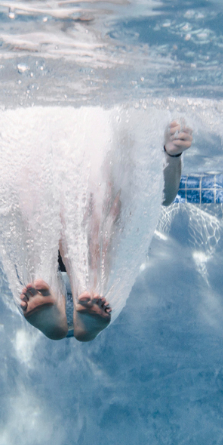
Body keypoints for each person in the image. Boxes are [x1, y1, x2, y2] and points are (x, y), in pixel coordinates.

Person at [15, 119, 192, 342]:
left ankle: (59, 299)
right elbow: (164, 197)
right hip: (73, 241)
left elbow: (164, 196)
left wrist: (172, 155)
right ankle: (80, 297)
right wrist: (171, 156)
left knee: (97, 193)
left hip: (76, 239)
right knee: (91, 193)